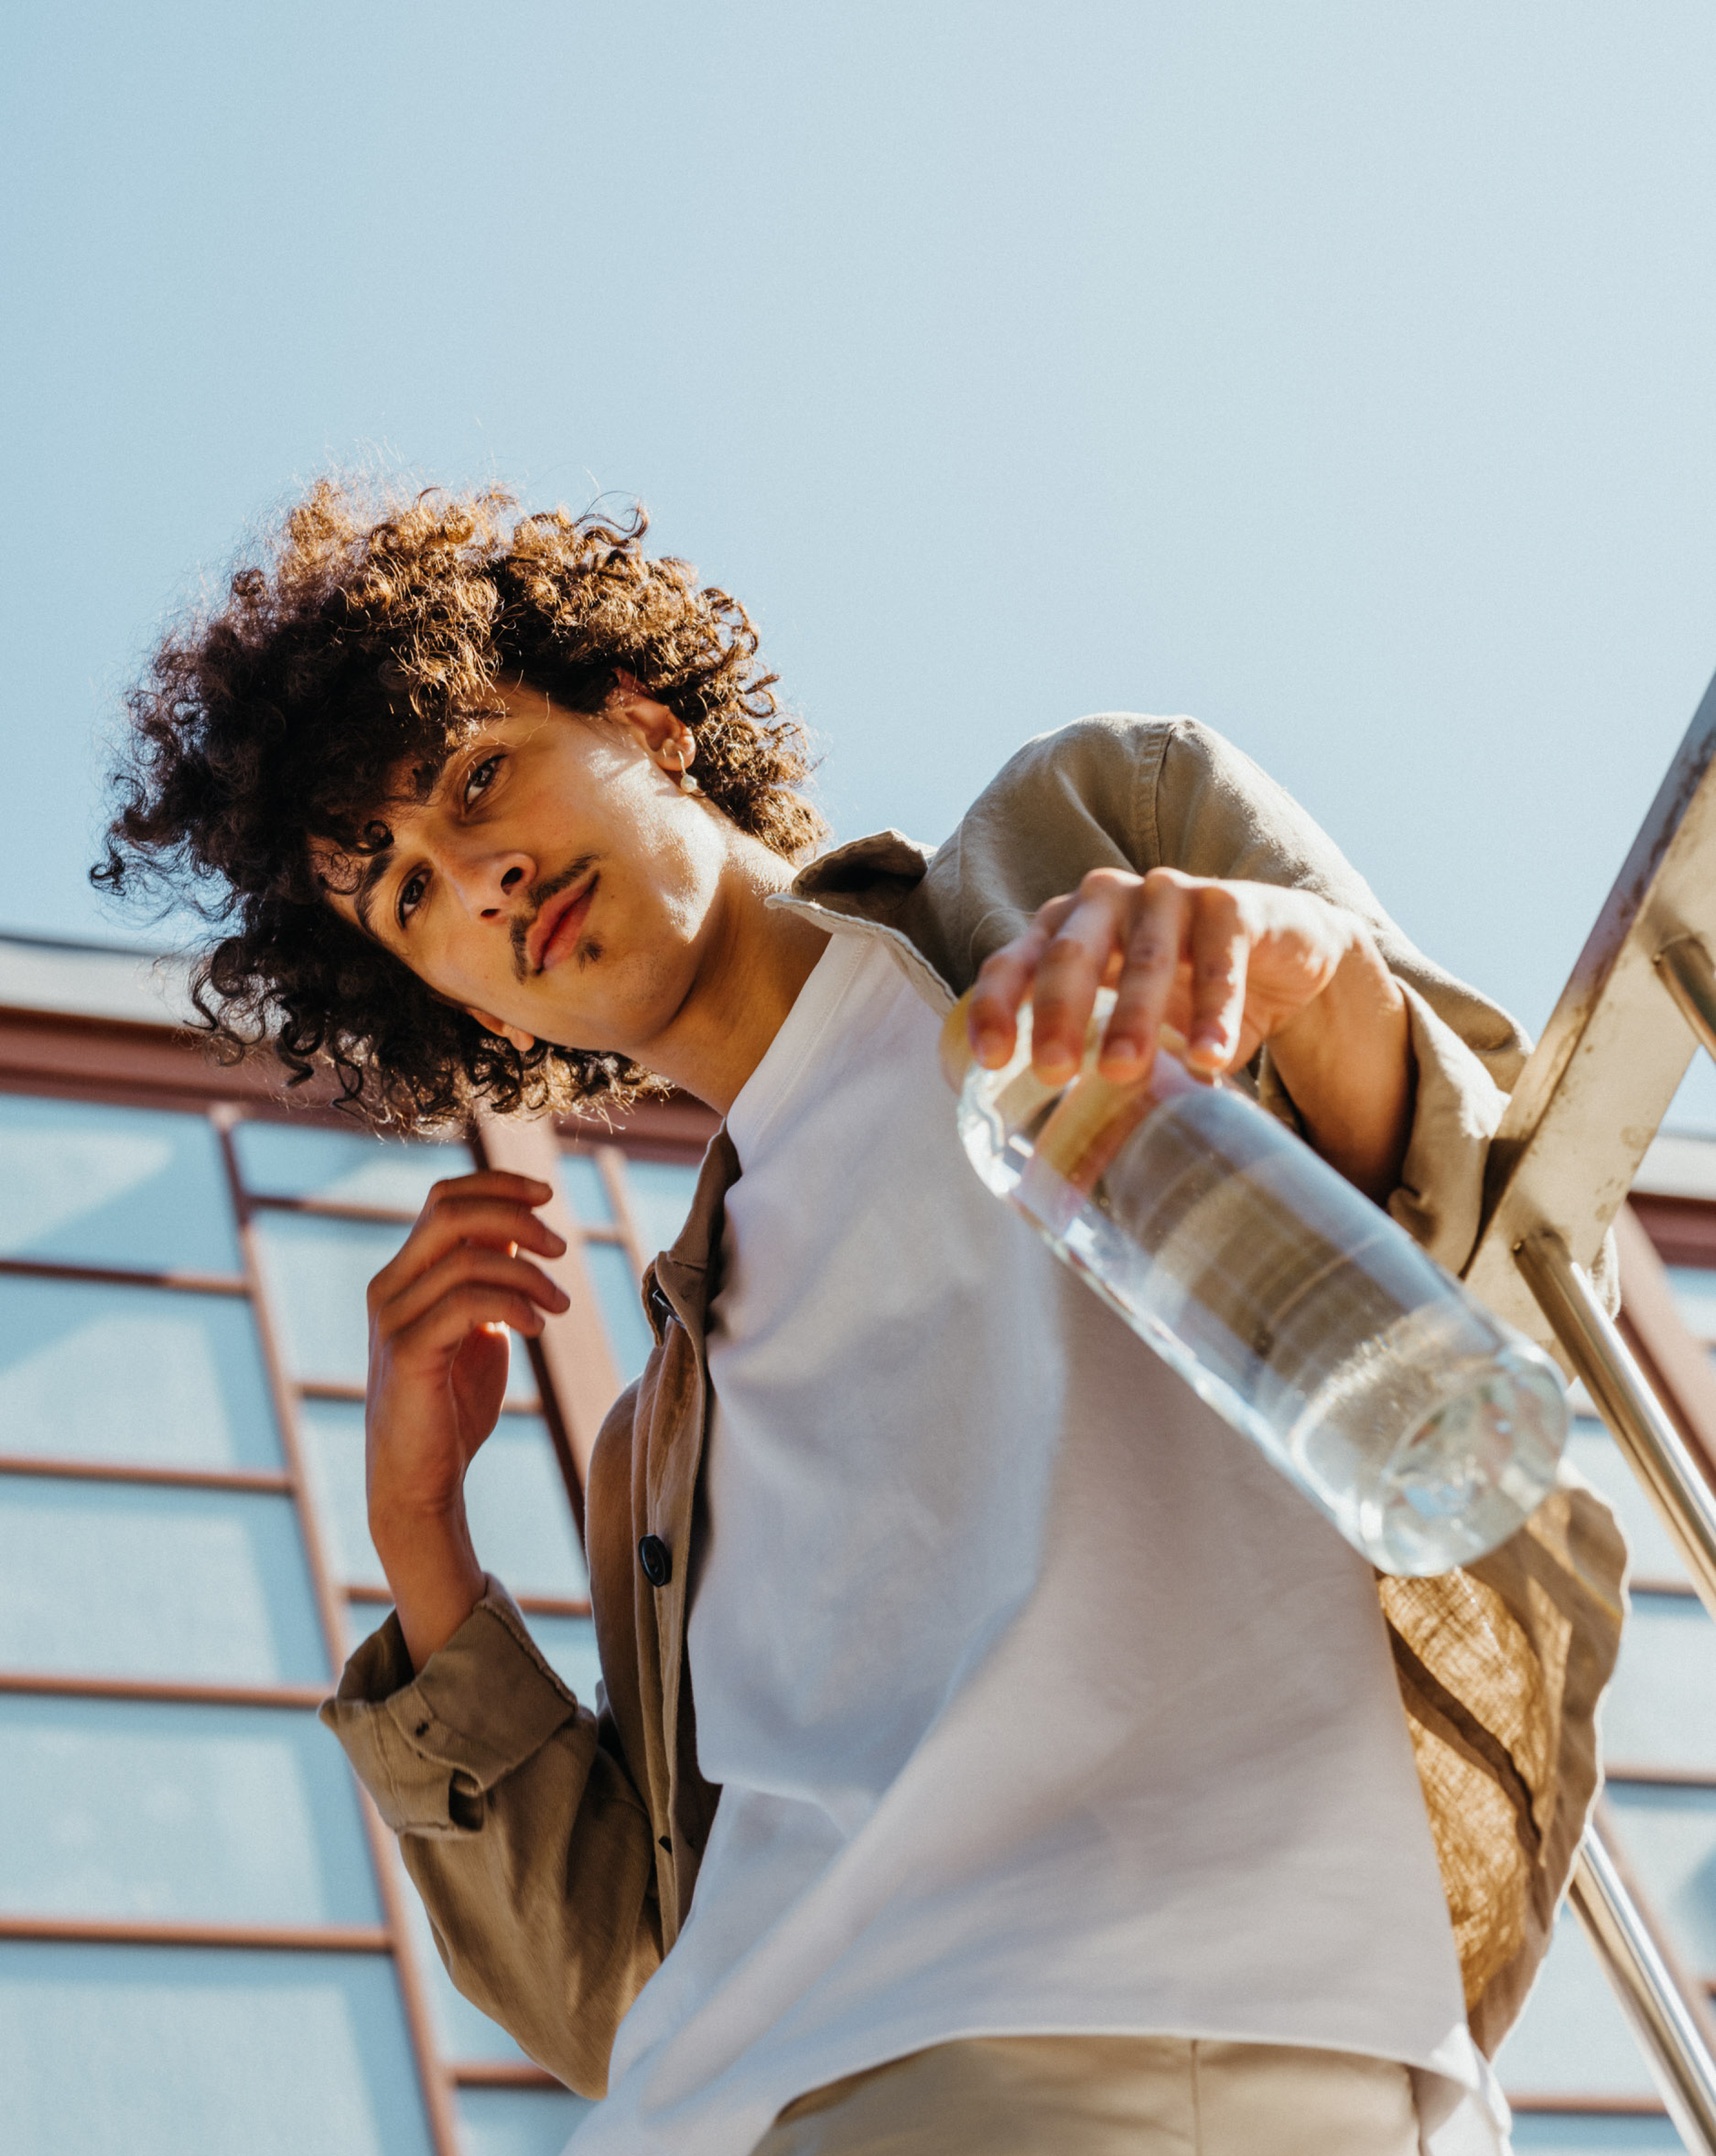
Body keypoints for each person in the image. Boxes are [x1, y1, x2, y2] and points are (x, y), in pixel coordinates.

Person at [97, 482, 1624, 2156]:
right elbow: (625, 1996)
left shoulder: (1081, 847)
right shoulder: (661, 1448)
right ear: (450, 996)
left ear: (646, 723)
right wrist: (418, 1539)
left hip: (1115, 2030)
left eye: (476, 775)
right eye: (401, 894)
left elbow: (1509, 1283)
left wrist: (1310, 972)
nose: (475, 874)